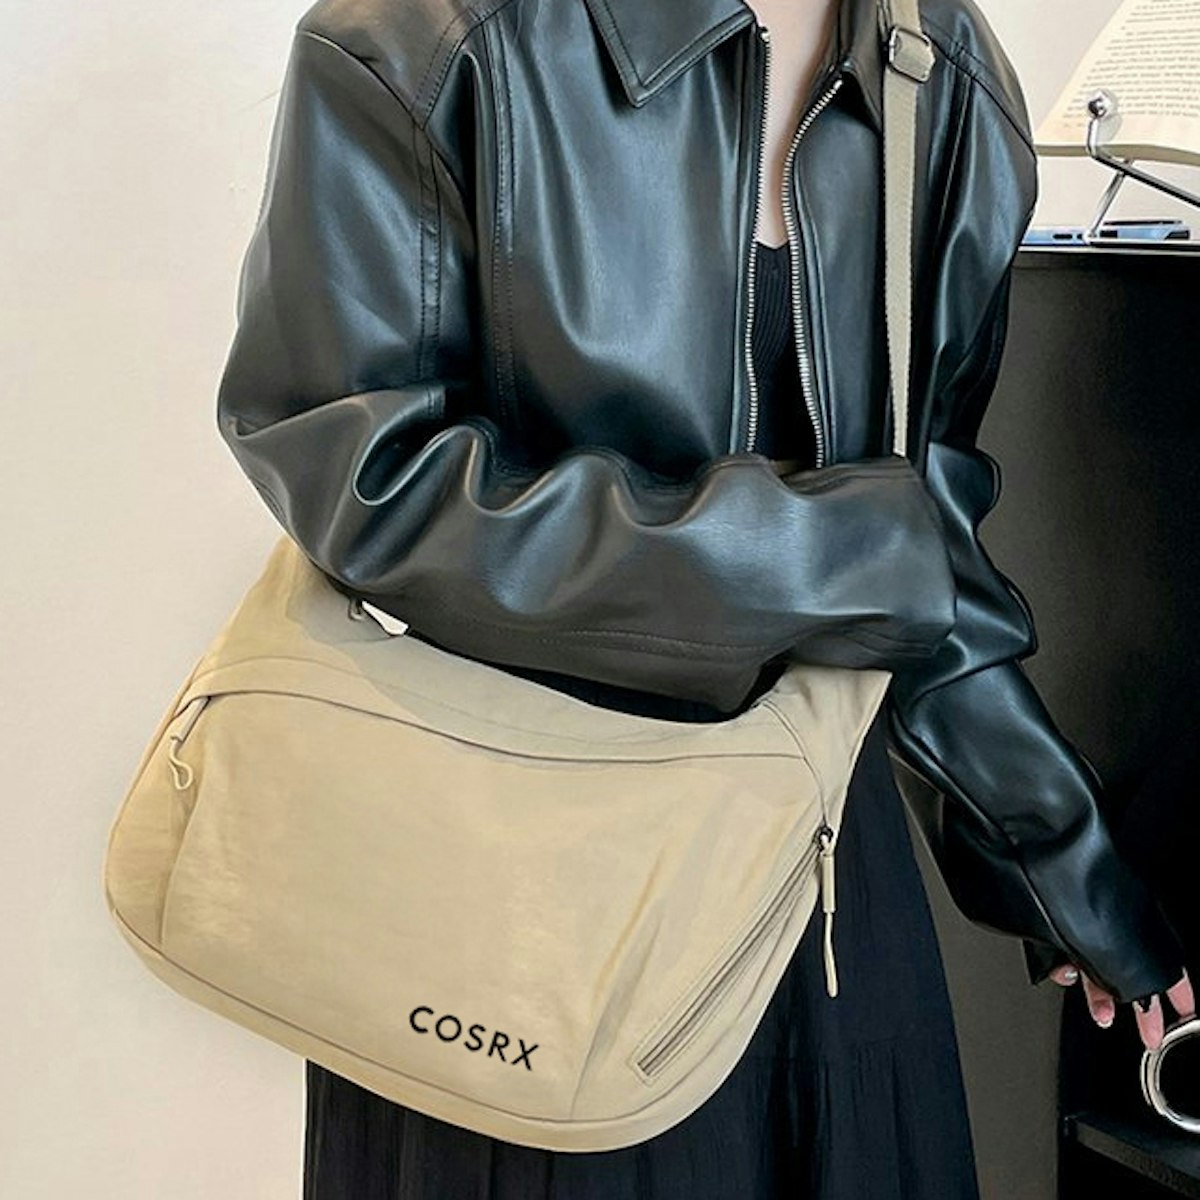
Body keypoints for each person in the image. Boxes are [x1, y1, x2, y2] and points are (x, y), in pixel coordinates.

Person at [214, 0, 1195, 1194]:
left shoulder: (941, 67)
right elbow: (356, 470)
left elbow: (922, 555)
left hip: (817, 896)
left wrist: (1064, 863)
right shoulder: (432, 35)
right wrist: (809, 552)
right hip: (516, 897)